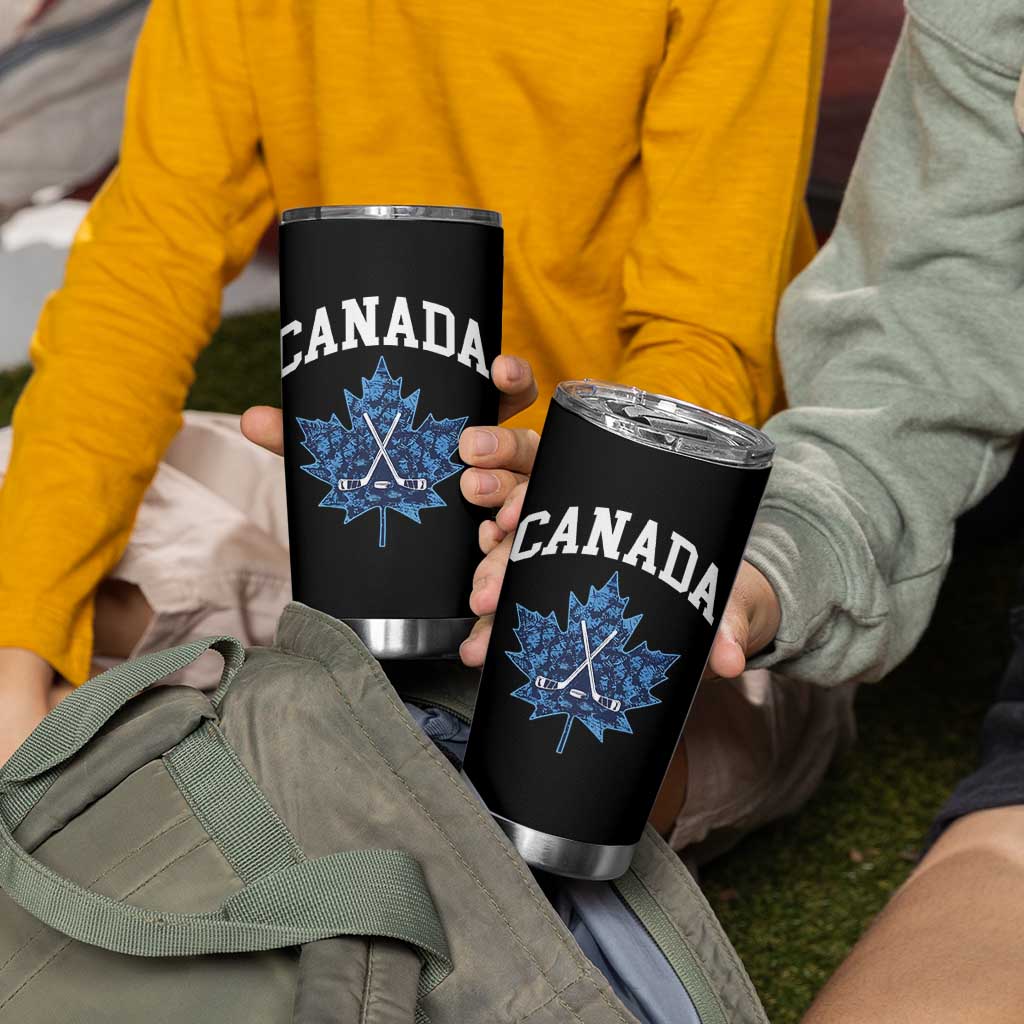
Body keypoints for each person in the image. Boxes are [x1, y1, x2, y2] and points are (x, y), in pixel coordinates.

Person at [0, 0, 828, 766]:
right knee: (25, 506)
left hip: (639, 535)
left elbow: (705, 346)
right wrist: (17, 651)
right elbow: (142, 275)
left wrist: (561, 535)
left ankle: (312, 755)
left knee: (585, 730)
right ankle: (264, 734)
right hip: (356, 526)